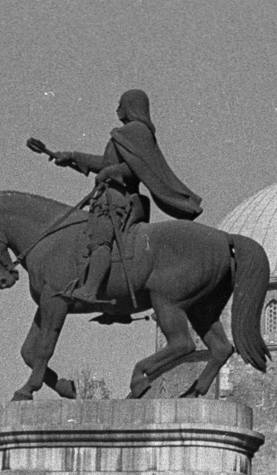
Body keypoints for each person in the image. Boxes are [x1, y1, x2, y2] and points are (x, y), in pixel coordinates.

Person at [34, 89, 203, 320]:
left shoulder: (136, 131)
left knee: (100, 240)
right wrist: (72, 156)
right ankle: (115, 305)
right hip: (111, 196)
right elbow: (106, 162)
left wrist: (111, 172)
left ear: (131, 106)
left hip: (118, 200)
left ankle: (91, 290)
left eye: (120, 103)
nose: (117, 108)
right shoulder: (129, 133)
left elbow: (140, 167)